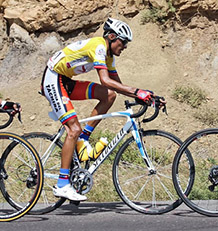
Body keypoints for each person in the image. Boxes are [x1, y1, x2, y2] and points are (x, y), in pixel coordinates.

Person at [41, 17, 163, 201]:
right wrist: (138, 92)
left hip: (66, 81)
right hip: (53, 78)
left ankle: (83, 139)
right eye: (123, 42)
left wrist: (147, 97)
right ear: (112, 37)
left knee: (109, 95)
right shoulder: (98, 46)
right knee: (73, 129)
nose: (125, 47)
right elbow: (105, 80)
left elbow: (116, 86)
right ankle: (62, 184)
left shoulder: (109, 55)